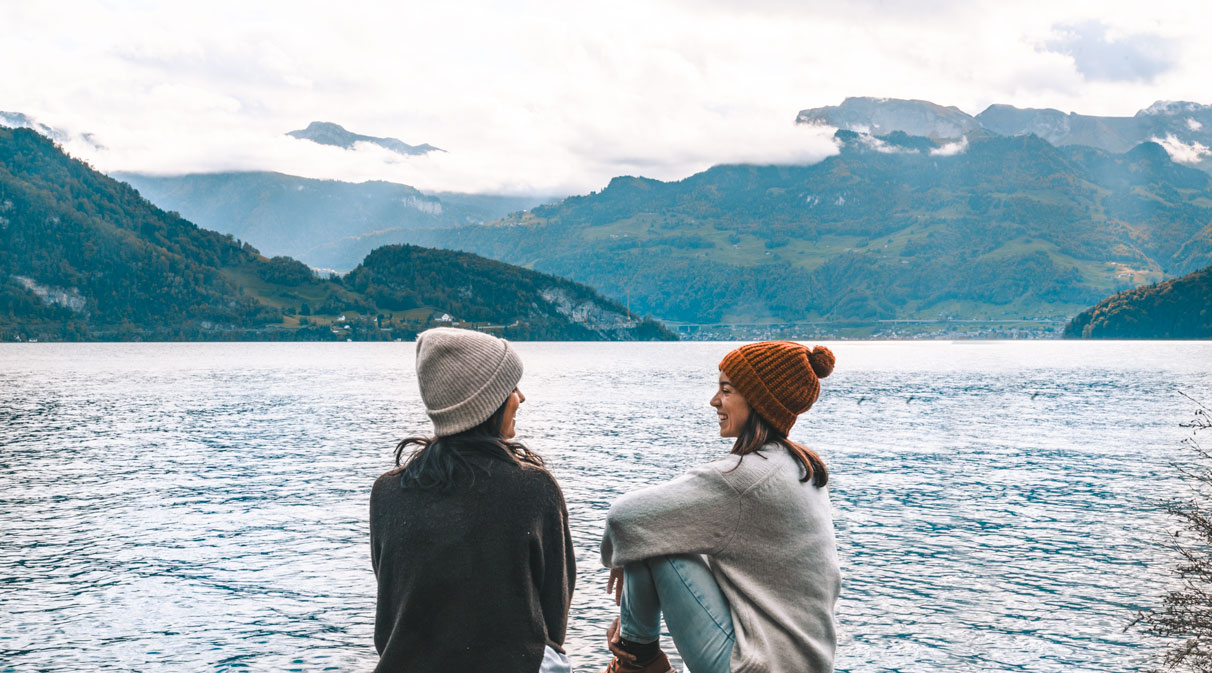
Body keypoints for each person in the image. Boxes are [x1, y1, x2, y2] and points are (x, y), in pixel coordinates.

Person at [599, 341, 841, 673]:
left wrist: (623, 554)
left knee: (651, 535)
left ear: (757, 400)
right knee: (659, 530)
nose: (714, 401)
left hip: (757, 666)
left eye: (726, 390)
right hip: (805, 663)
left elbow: (623, 518)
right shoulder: (801, 467)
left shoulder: (744, 477)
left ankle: (635, 661)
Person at [369, 327, 575, 673]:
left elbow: (393, 598)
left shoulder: (387, 494)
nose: (520, 397)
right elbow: (555, 615)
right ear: (487, 401)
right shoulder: (533, 489)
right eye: (511, 387)